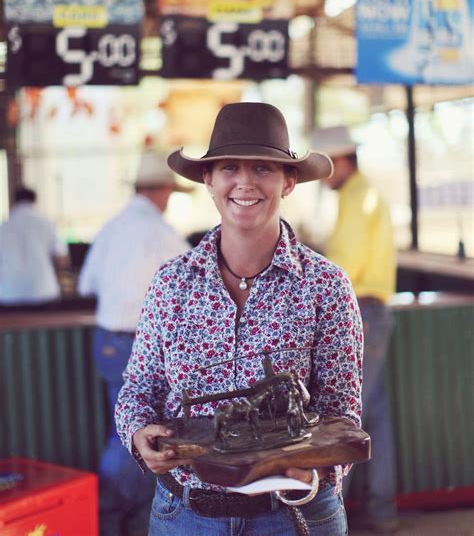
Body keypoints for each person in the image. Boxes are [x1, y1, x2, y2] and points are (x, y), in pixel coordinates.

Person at [115, 102, 364, 536]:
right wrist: (138, 434)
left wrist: (319, 472)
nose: (245, 182)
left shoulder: (326, 285)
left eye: (263, 169)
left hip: (295, 514)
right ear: (208, 180)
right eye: (229, 167)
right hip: (185, 515)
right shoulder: (171, 284)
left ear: (288, 182)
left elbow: (342, 411)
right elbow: (139, 388)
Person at [78, 151, 191, 536]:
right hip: (139, 345)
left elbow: (85, 285)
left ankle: (125, 519)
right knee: (137, 435)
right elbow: (197, 288)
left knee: (127, 432)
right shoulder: (161, 234)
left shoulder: (112, 227)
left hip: (107, 340)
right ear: (161, 191)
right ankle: (112, 518)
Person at [313, 125, 398, 534]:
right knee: (371, 415)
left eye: (326, 167)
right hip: (375, 310)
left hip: (359, 310)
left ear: (341, 161)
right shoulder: (366, 194)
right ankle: (383, 511)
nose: (324, 177)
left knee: (341, 417)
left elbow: (342, 268)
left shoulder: (354, 198)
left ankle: (331, 516)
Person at [0, 186, 69, 306]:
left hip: (8, 295)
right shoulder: (48, 224)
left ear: (14, 201)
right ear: (34, 201)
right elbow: (62, 260)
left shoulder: (3, 228)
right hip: (43, 292)